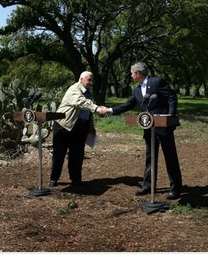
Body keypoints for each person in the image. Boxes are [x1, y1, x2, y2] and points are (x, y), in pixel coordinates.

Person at [106, 61, 182, 199]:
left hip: (164, 127)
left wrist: (170, 116)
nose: (131, 76)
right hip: (149, 128)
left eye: (131, 73)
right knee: (150, 158)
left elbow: (171, 97)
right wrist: (110, 110)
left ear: (138, 73)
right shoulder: (136, 90)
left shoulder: (157, 82)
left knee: (170, 157)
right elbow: (128, 105)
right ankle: (147, 186)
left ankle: (175, 189)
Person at [50, 71, 108, 188]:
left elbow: (87, 113)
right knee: (59, 154)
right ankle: (54, 179)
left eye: (92, 80)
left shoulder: (87, 93)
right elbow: (81, 103)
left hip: (80, 127)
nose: (91, 83)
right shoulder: (74, 89)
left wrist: (91, 128)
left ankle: (76, 179)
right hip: (64, 126)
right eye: (89, 80)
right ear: (81, 79)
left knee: (77, 155)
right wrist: (96, 108)